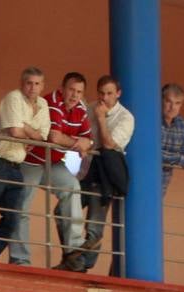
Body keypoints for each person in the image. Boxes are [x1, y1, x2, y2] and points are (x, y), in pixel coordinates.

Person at [15, 72, 90, 271]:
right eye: (71, 90)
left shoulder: (81, 109)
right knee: (20, 208)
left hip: (53, 163)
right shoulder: (50, 102)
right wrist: (77, 143)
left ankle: (74, 247)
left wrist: (83, 142)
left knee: (72, 186)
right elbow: (54, 137)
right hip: (31, 162)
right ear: (62, 89)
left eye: (79, 92)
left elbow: (88, 140)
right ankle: (20, 260)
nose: (74, 95)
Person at [0, 67, 49, 264]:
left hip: (16, 166)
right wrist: (27, 131)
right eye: (29, 83)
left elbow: (42, 138)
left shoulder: (43, 104)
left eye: (37, 84)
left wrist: (25, 127)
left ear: (43, 86)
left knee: (13, 218)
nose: (33, 87)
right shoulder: (13, 98)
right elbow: (15, 131)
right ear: (22, 83)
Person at [77, 75, 134, 275]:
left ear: (118, 94)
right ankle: (72, 258)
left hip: (103, 177)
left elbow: (109, 145)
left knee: (94, 224)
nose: (104, 98)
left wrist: (101, 118)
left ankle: (84, 265)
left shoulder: (126, 117)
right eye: (101, 93)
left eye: (109, 93)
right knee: (63, 212)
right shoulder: (89, 107)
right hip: (83, 170)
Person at [160, 83, 184, 195]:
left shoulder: (183, 126)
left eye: (177, 103)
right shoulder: (151, 120)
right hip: (143, 177)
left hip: (163, 184)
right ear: (161, 100)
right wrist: (179, 160)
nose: (173, 107)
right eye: (169, 102)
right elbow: (151, 153)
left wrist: (179, 159)